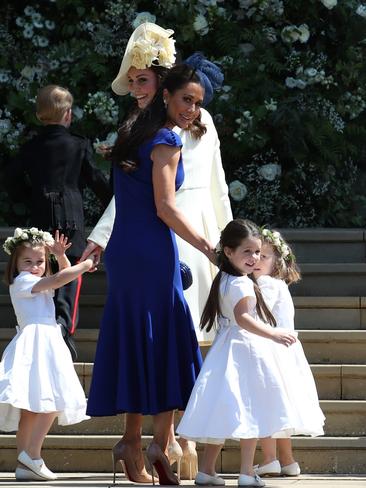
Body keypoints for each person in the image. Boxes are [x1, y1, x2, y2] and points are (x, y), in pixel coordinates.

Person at [80, 22, 232, 481]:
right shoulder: (165, 140)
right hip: (152, 246)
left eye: (198, 102)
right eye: (186, 99)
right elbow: (166, 208)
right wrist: (210, 247)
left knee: (141, 338)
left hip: (129, 248)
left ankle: (139, 443)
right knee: (167, 340)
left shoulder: (131, 130)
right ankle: (152, 446)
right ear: (167, 95)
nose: (192, 109)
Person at [176, 219, 325, 487]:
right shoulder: (242, 283)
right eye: (247, 251)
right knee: (252, 411)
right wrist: (275, 333)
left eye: (257, 252)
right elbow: (243, 318)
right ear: (229, 252)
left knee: (222, 409)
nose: (254, 258)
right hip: (247, 349)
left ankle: (207, 470)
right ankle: (246, 472)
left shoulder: (224, 277)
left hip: (225, 350)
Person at [5, 85, 112, 361]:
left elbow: (11, 180)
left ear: (40, 115)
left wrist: (29, 198)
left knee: (43, 273)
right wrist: (113, 200)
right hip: (71, 220)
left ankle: (49, 329)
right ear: (67, 114)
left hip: (40, 219)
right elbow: (97, 182)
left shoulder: (31, 146)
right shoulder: (78, 144)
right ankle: (64, 329)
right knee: (70, 276)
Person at [0, 228, 95, 481]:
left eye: (40, 261)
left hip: (45, 340)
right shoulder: (23, 281)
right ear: (16, 263)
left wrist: (61, 256)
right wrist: (84, 264)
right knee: (54, 399)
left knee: (32, 409)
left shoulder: (38, 281)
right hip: (37, 341)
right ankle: (32, 454)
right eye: (27, 261)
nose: (34, 267)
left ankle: (24, 464)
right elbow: (58, 281)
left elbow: (63, 278)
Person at [252, 228, 318, 477]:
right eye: (256, 254)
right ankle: (288, 460)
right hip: (285, 352)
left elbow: (257, 319)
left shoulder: (265, 284)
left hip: (270, 350)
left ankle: (270, 458)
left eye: (265, 256)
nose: (258, 261)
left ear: (277, 262)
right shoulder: (278, 284)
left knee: (267, 407)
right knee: (280, 408)